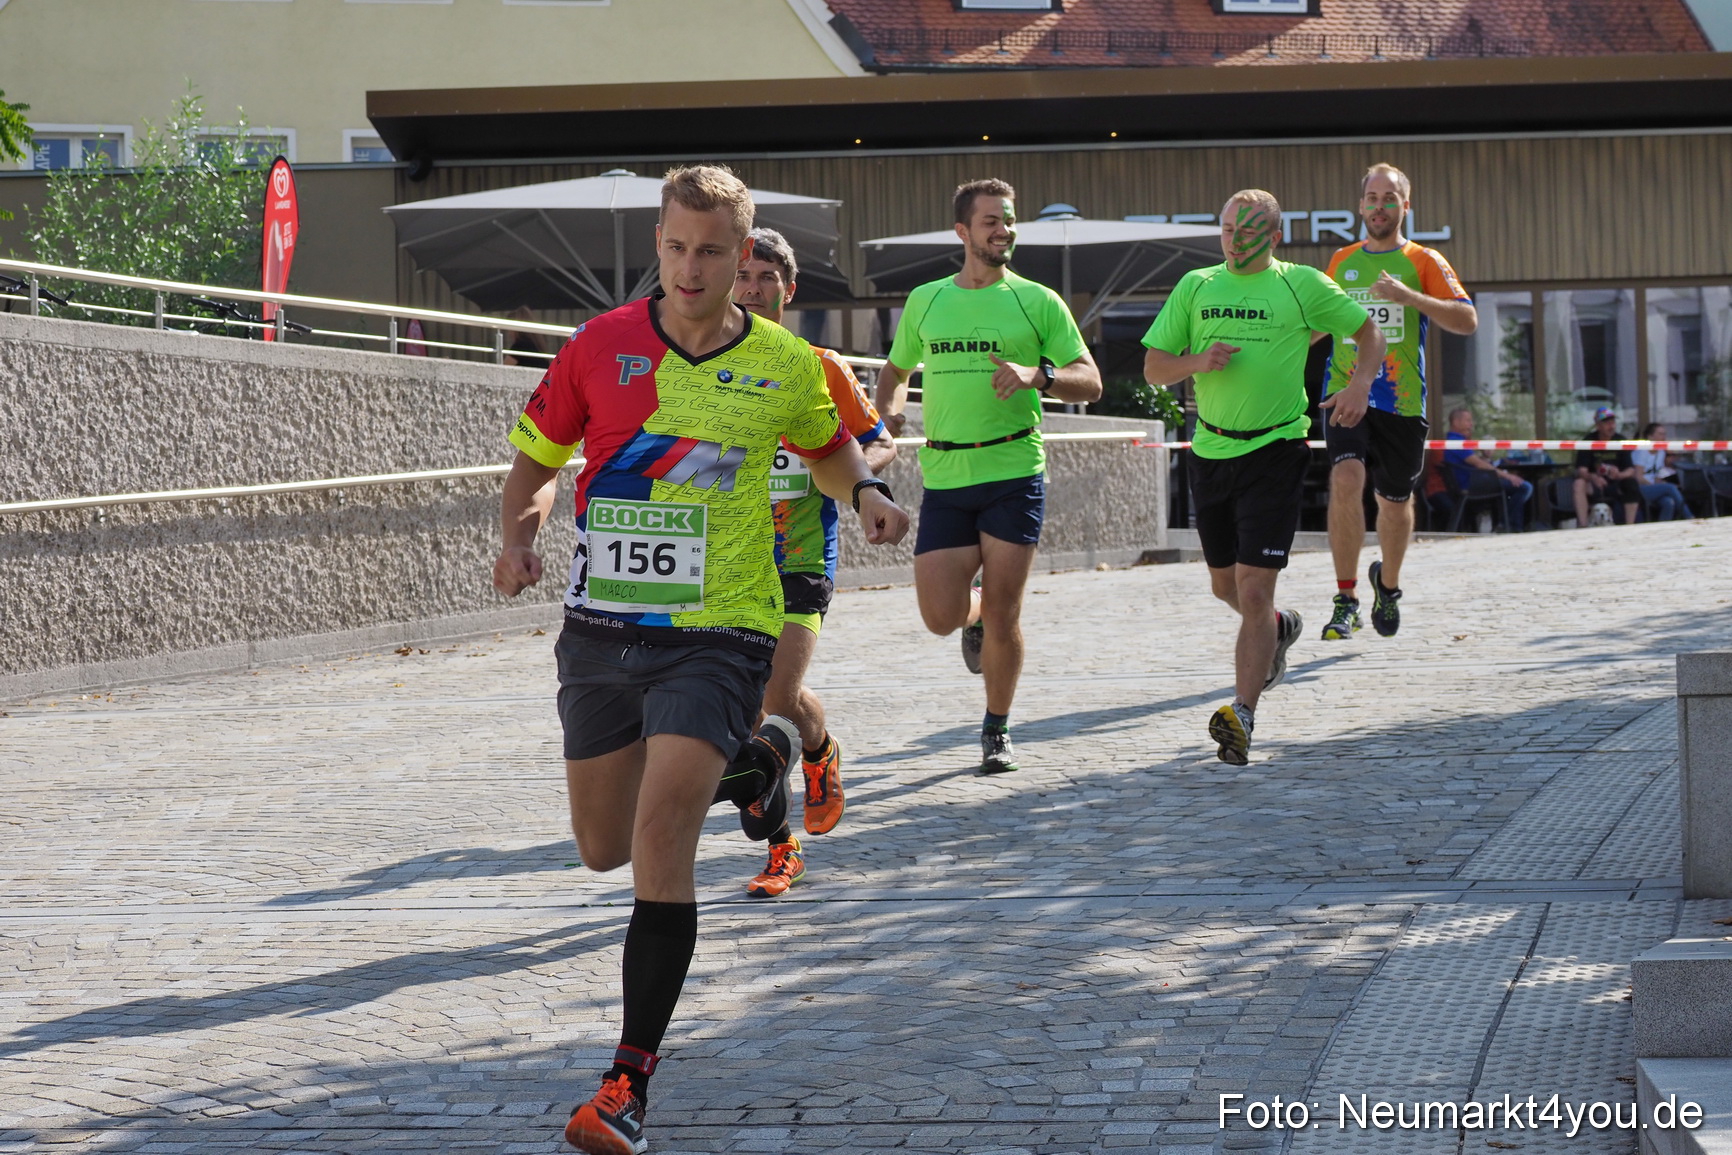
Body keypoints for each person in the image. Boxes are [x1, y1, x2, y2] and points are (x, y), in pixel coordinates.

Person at [490, 165, 910, 1155]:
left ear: (744, 255)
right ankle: (757, 773)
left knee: (662, 829)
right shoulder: (599, 346)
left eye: (711, 252)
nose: (690, 268)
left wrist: (865, 493)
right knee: (604, 846)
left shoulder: (787, 362)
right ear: (659, 244)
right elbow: (536, 461)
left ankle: (626, 1085)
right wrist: (519, 534)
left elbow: (831, 448)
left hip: (723, 629)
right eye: (675, 248)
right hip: (603, 630)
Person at [1143, 188, 1385, 766]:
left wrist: (1358, 386)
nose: (1236, 241)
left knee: (1253, 589)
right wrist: (1198, 361)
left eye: (1249, 232)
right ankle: (1278, 628)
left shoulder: (1301, 285)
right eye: (1229, 230)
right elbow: (1154, 368)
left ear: (1274, 237)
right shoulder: (1196, 286)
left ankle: (1242, 715)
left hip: (1276, 450)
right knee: (1224, 587)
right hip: (1211, 451)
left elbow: (1369, 333)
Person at [874, 178, 1102, 775]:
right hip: (947, 476)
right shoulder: (927, 300)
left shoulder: (1037, 301)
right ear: (963, 232)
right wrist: (887, 416)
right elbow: (895, 372)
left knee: (1006, 612)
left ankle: (996, 728)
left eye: (1008, 220)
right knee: (939, 617)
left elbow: (1091, 380)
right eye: (991, 222)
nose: (1004, 230)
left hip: (1013, 470)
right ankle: (971, 616)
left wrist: (1039, 375)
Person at [730, 227, 897, 898]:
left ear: (788, 290)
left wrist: (860, 484)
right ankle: (784, 841)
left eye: (766, 277)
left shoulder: (822, 365)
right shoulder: (703, 366)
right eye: (742, 275)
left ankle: (817, 754)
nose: (751, 288)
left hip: (801, 552)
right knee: (751, 707)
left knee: (774, 696)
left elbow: (878, 442)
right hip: (727, 560)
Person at [1318, 163, 1477, 640]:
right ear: (1360, 206)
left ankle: (1386, 585)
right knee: (1346, 478)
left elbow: (1466, 320)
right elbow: (1317, 324)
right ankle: (1345, 599)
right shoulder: (1341, 261)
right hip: (1346, 390)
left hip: (1402, 401)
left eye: (1390, 198)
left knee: (1394, 502)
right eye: (1372, 197)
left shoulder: (1423, 259)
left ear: (1405, 206)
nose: (1380, 206)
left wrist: (1411, 297)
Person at [1439, 407, 1533, 532]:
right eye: (1468, 420)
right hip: (1473, 485)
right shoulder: (1456, 442)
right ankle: (1509, 526)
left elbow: (1476, 462)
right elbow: (1479, 464)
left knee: (1513, 488)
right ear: (1456, 422)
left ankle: (1504, 523)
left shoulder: (1455, 441)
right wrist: (1508, 476)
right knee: (1524, 487)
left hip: (1473, 482)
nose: (1471, 424)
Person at [1573, 406, 1641, 527]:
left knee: (1631, 483)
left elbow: (1630, 469)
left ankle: (1629, 526)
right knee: (1579, 483)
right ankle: (1583, 526)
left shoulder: (1620, 440)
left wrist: (1619, 475)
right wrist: (1593, 477)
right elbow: (1581, 470)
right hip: (1594, 484)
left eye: (1613, 422)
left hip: (1616, 483)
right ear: (1598, 425)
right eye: (1607, 423)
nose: (1611, 426)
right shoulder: (1588, 441)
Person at [1632, 421, 1694, 521]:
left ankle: (1663, 526)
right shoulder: (1641, 451)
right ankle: (1689, 517)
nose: (1663, 437)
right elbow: (1638, 477)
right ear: (1650, 437)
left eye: (1664, 434)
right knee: (1670, 488)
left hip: (1653, 487)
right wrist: (1655, 486)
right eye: (1660, 434)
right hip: (1640, 488)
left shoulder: (1661, 452)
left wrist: (1660, 483)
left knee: (1668, 502)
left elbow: (1656, 475)